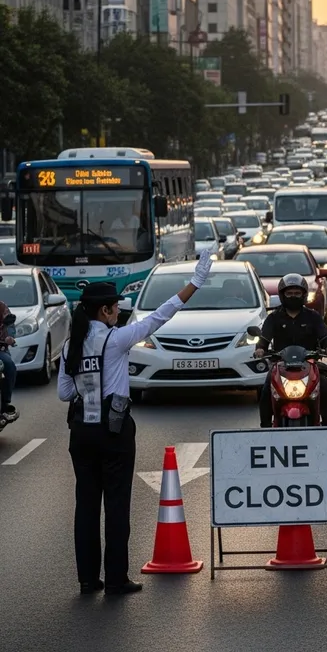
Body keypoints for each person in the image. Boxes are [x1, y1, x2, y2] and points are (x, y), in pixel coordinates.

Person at [57, 249, 214, 596]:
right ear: (106, 310)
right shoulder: (117, 339)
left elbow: (64, 392)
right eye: (115, 307)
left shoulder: (70, 346)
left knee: (85, 506)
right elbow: (161, 315)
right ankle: (115, 578)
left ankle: (87, 579)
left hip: (81, 432)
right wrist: (195, 283)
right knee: (115, 505)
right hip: (113, 432)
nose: (119, 312)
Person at [255, 273, 327, 442]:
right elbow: (263, 340)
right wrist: (260, 350)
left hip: (309, 365)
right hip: (280, 366)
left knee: (326, 388)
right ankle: (264, 430)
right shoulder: (274, 318)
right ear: (282, 295)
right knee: (264, 390)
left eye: (297, 293)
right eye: (289, 293)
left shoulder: (313, 316)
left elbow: (325, 336)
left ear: (304, 295)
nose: (293, 296)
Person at [0, 291, 18, 424]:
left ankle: (5, 403)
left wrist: (9, 337)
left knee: (9, 365)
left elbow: (10, 325)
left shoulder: (2, 307)